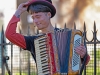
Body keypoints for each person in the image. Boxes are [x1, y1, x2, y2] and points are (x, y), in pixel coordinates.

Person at [5, 0, 90, 72]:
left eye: (38, 16)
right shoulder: (32, 41)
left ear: (48, 15)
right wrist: (18, 11)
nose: (35, 21)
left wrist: (83, 54)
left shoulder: (70, 36)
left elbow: (84, 61)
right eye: (33, 18)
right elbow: (9, 34)